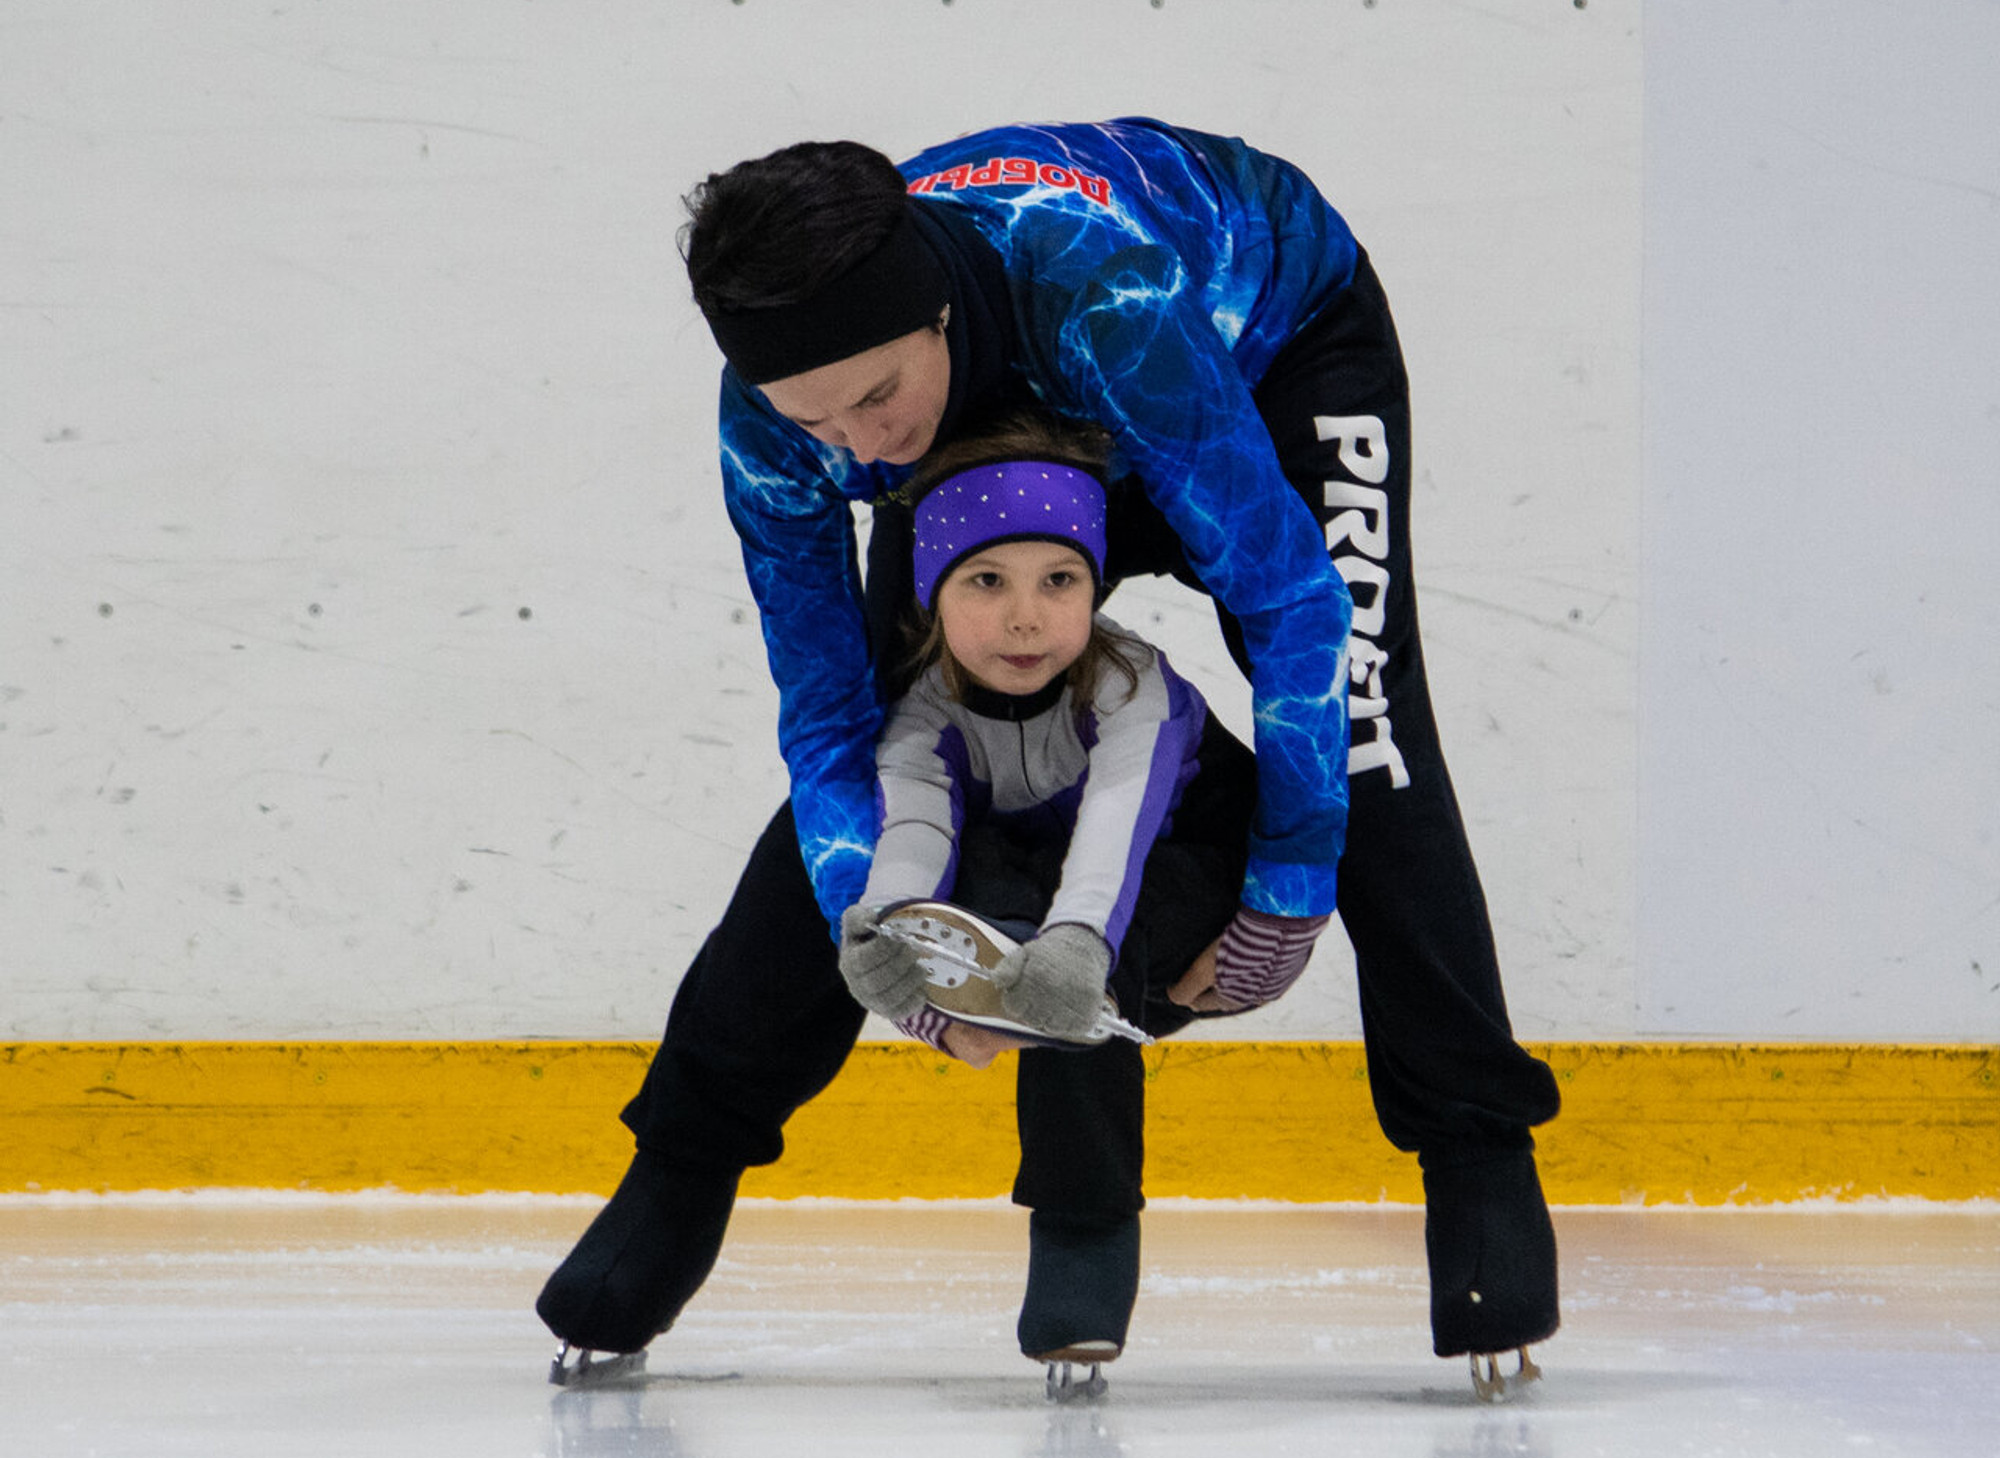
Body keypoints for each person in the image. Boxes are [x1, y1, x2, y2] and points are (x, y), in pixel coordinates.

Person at [536, 117, 1560, 1383]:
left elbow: (1296, 604)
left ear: (938, 322)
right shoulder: (784, 422)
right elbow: (829, 722)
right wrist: (890, 956)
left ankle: (1477, 1159)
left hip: (1258, 353)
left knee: (1361, 729)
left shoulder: (1107, 301)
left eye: (872, 397)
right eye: (816, 420)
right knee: (902, 749)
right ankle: (678, 1169)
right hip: (1013, 419)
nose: (855, 444)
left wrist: (1287, 891)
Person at [837, 414, 1263, 1363]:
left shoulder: (1132, 688)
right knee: (993, 895)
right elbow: (913, 831)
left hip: (1186, 870)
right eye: (988, 582)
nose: (1026, 617)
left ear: (1093, 588)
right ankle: (1022, 1008)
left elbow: (1116, 834)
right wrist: (888, 932)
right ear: (932, 593)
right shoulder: (921, 716)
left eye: (1059, 582)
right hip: (1043, 874)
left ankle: (1086, 1227)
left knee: (1079, 980)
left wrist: (1075, 955)